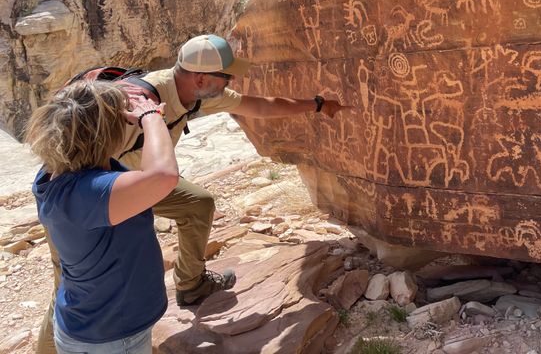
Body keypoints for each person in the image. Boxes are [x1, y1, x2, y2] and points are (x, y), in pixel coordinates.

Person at [37, 34, 348, 354]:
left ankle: (191, 284)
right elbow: (76, 155)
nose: (233, 80)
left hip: (140, 183)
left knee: (198, 204)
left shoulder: (201, 94)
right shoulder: (140, 101)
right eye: (227, 75)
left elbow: (258, 105)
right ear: (201, 77)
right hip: (95, 196)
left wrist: (317, 105)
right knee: (70, 282)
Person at [28, 81, 176, 354]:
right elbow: (163, 176)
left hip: (84, 323)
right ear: (104, 135)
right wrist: (151, 118)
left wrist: (99, 98)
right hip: (114, 337)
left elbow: (74, 116)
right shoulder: (88, 193)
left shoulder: (55, 174)